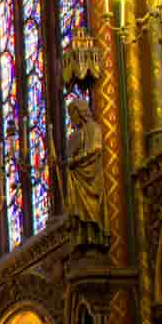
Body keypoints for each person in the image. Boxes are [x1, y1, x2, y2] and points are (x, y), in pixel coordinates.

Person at [66, 96, 107, 236]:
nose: (72, 119)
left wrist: (76, 160)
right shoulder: (76, 135)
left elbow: (95, 149)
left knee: (93, 211)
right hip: (79, 178)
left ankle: (94, 236)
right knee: (80, 212)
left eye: (73, 114)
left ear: (81, 112)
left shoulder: (93, 128)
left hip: (91, 175)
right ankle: (84, 238)